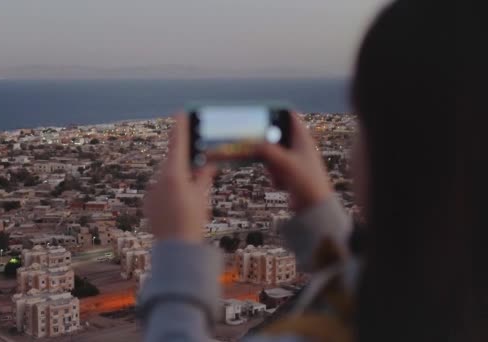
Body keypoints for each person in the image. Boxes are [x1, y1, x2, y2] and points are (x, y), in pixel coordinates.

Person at [139, 1, 475, 341]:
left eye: (363, 123)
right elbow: (362, 295)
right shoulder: (450, 302)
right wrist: (317, 209)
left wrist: (177, 247)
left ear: (396, 156)